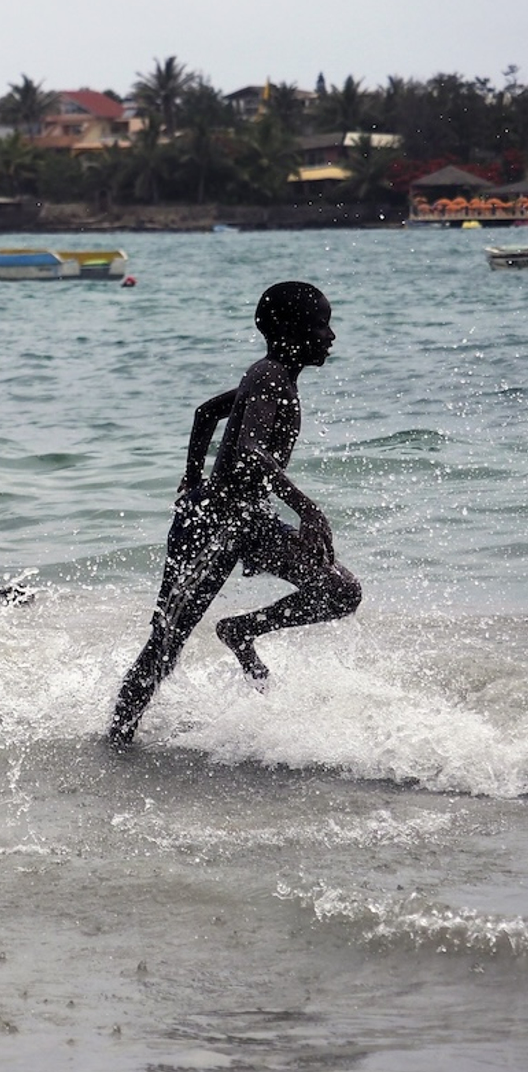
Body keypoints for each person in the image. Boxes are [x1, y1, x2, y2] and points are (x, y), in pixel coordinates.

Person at [108, 281, 361, 744]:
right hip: (214, 525)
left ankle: (241, 630)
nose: (331, 337)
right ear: (289, 330)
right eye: (321, 325)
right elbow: (249, 450)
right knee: (165, 645)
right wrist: (309, 511)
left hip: (246, 521)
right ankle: (117, 740)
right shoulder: (268, 377)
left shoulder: (268, 376)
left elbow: (206, 413)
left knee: (339, 592)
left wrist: (191, 477)